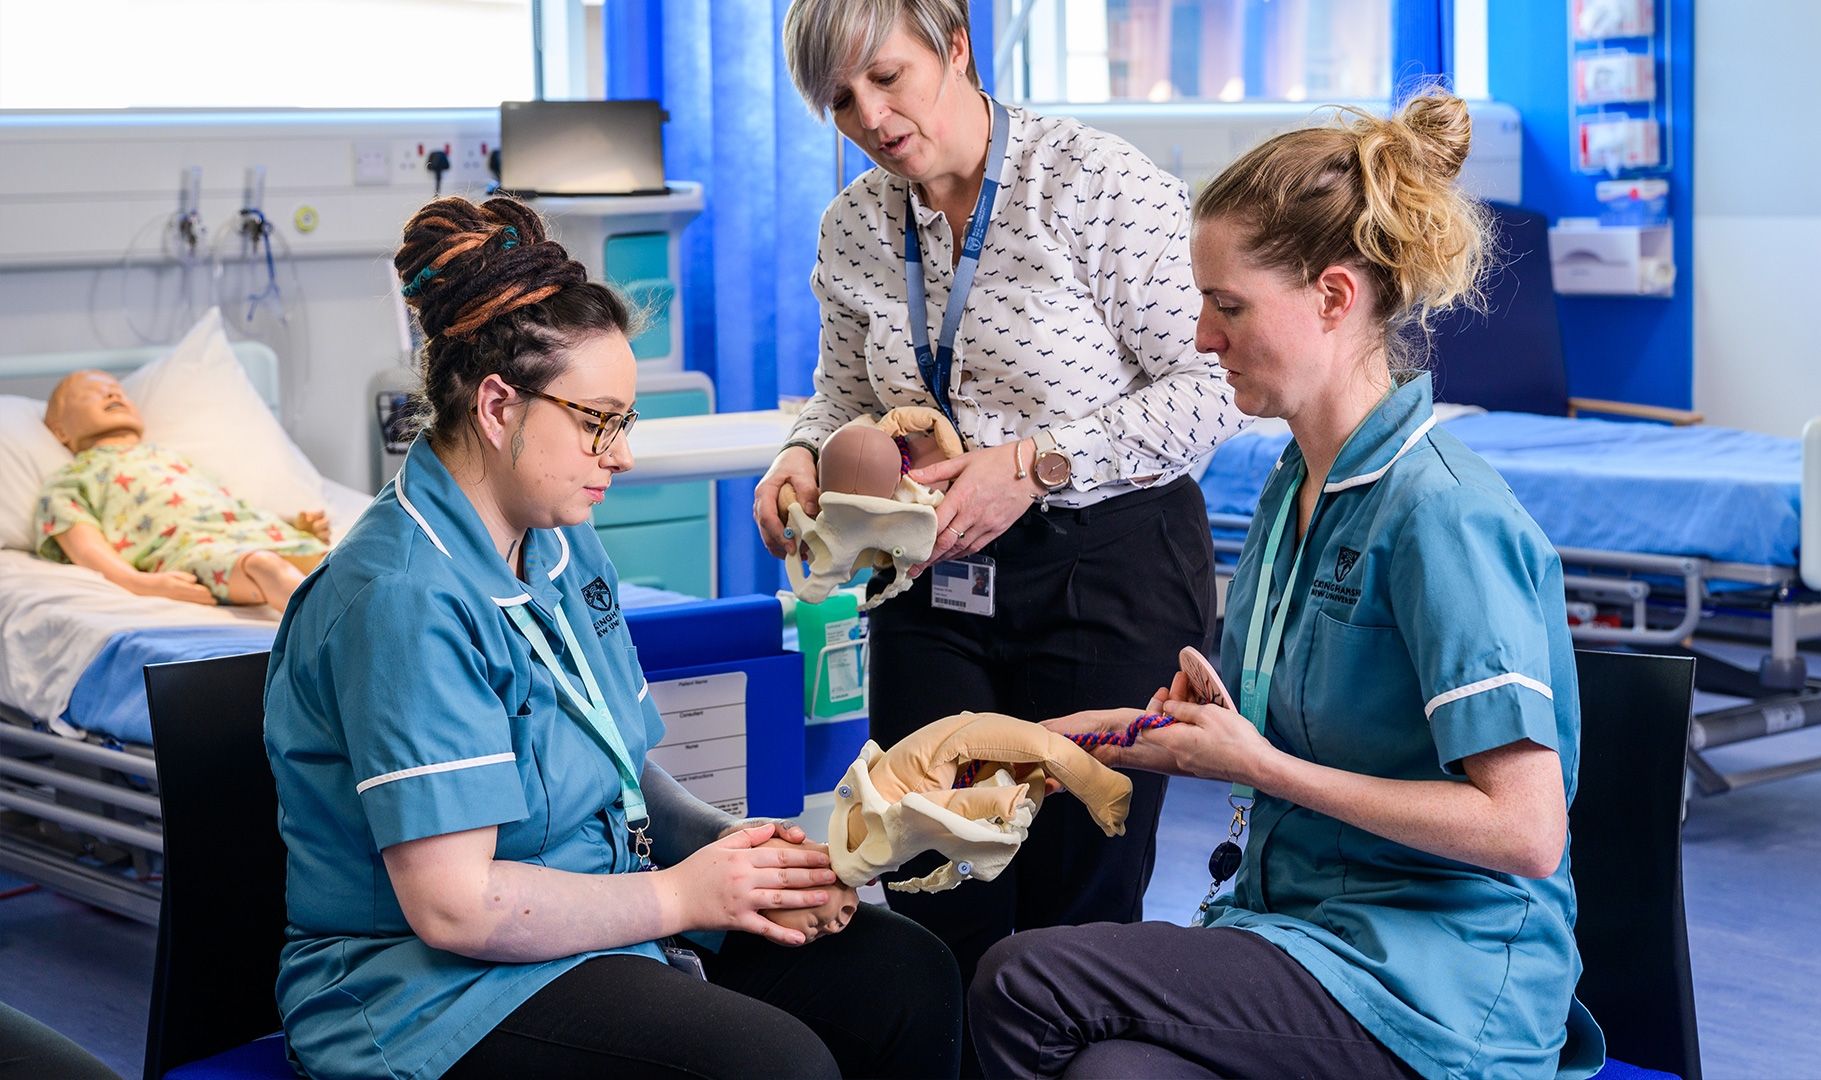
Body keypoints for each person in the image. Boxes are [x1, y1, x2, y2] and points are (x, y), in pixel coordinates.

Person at [970, 89, 1607, 1079]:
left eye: (1227, 305)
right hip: (1307, 938)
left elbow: (1524, 833)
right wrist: (1009, 748)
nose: (1200, 336)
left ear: (1334, 297)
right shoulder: (1291, 491)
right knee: (1112, 1073)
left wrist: (1261, 766)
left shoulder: (1441, 515)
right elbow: (1243, 743)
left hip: (1436, 988)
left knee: (1024, 983)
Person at [264, 196, 960, 1080]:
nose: (621, 456)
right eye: (599, 423)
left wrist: (743, 854)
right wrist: (681, 895)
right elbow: (455, 910)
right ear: (495, 406)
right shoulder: (402, 598)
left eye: (621, 425)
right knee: (772, 1066)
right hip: (432, 993)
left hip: (596, 923)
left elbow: (622, 773)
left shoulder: (554, 538)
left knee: (906, 975)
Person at [760, 0, 1245, 999]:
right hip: (933, 584)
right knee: (932, 878)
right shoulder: (856, 225)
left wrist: (1037, 463)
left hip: (1104, 568)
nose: (871, 119)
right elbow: (845, 394)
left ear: (957, 47)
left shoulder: (1095, 185)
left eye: (887, 78)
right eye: (842, 102)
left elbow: (1214, 386)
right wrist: (801, 457)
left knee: (1078, 901)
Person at [32, 370, 329, 611]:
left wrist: (292, 526)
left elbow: (228, 507)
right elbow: (86, 548)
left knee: (352, 563)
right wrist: (142, 583)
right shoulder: (71, 480)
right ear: (59, 431)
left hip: (254, 536)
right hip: (193, 551)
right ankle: (343, 647)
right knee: (265, 567)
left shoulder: (170, 458)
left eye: (118, 389)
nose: (113, 393)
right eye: (91, 392)